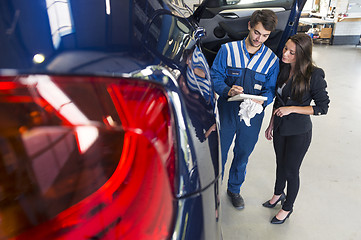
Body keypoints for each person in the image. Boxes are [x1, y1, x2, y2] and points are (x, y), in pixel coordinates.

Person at [210, 10, 279, 209]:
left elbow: (271, 89)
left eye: (265, 35)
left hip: (252, 117)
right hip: (227, 111)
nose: (259, 39)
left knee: (243, 153)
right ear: (249, 25)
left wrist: (262, 101)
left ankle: (234, 189)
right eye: (257, 32)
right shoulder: (227, 50)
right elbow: (215, 76)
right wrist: (227, 90)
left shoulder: (271, 60)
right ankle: (213, 190)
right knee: (220, 152)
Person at [263, 33, 330, 224]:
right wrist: (271, 124)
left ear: (302, 55)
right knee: (280, 164)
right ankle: (277, 194)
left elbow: (322, 108)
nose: (285, 54)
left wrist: (292, 109)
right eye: (285, 49)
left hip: (299, 132)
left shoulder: (314, 74)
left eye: (292, 53)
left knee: (291, 170)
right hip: (280, 128)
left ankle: (287, 207)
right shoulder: (283, 69)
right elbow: (278, 100)